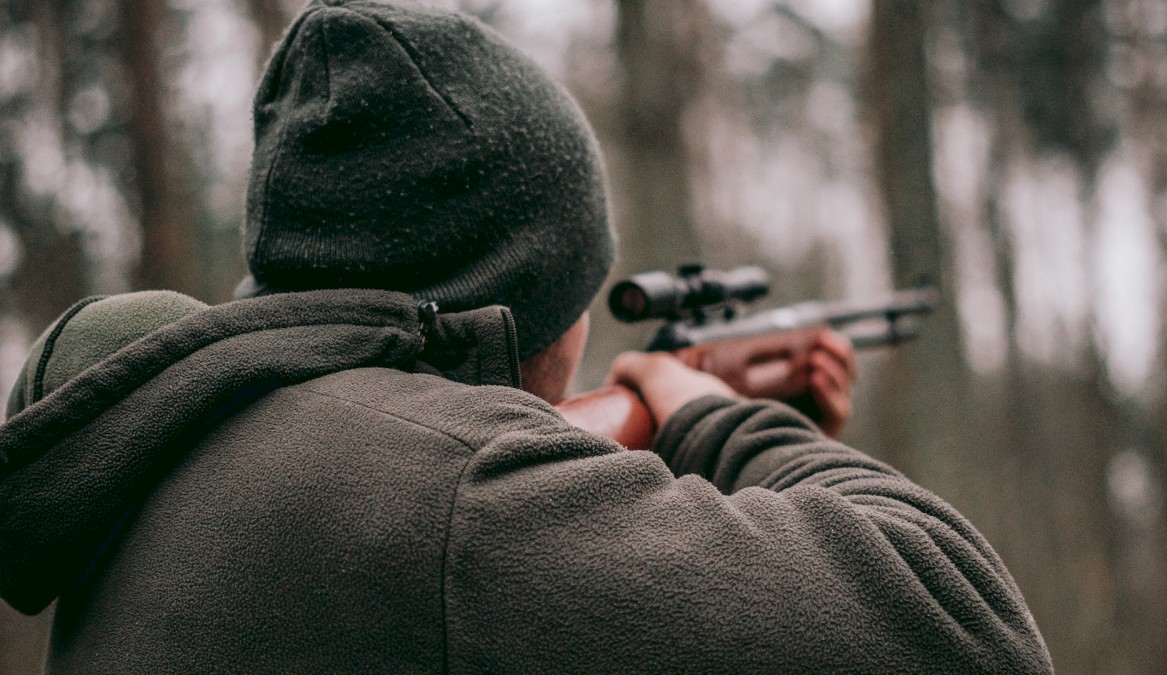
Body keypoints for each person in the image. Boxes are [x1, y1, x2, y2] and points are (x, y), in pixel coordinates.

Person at [0, 0, 1052, 672]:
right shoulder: (451, 493)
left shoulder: (179, 440)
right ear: (520, 305)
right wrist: (719, 424)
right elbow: (967, 632)